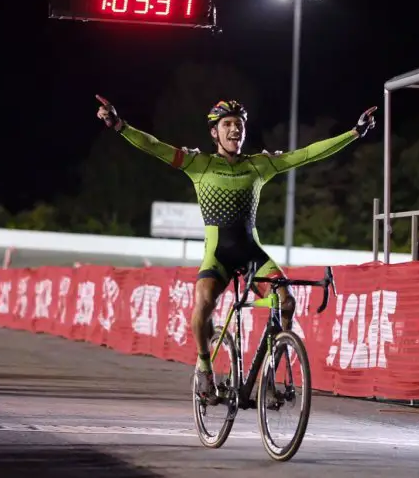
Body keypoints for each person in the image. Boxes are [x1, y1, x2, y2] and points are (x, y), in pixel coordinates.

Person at [95, 94, 376, 399]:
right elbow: (155, 146)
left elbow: (307, 154)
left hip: (251, 252)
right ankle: (204, 367)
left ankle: (268, 377)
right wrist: (120, 125)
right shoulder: (198, 163)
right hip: (218, 255)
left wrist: (354, 133)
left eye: (239, 124)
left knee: (286, 301)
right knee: (203, 302)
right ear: (214, 132)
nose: (234, 129)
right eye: (227, 124)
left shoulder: (260, 165)